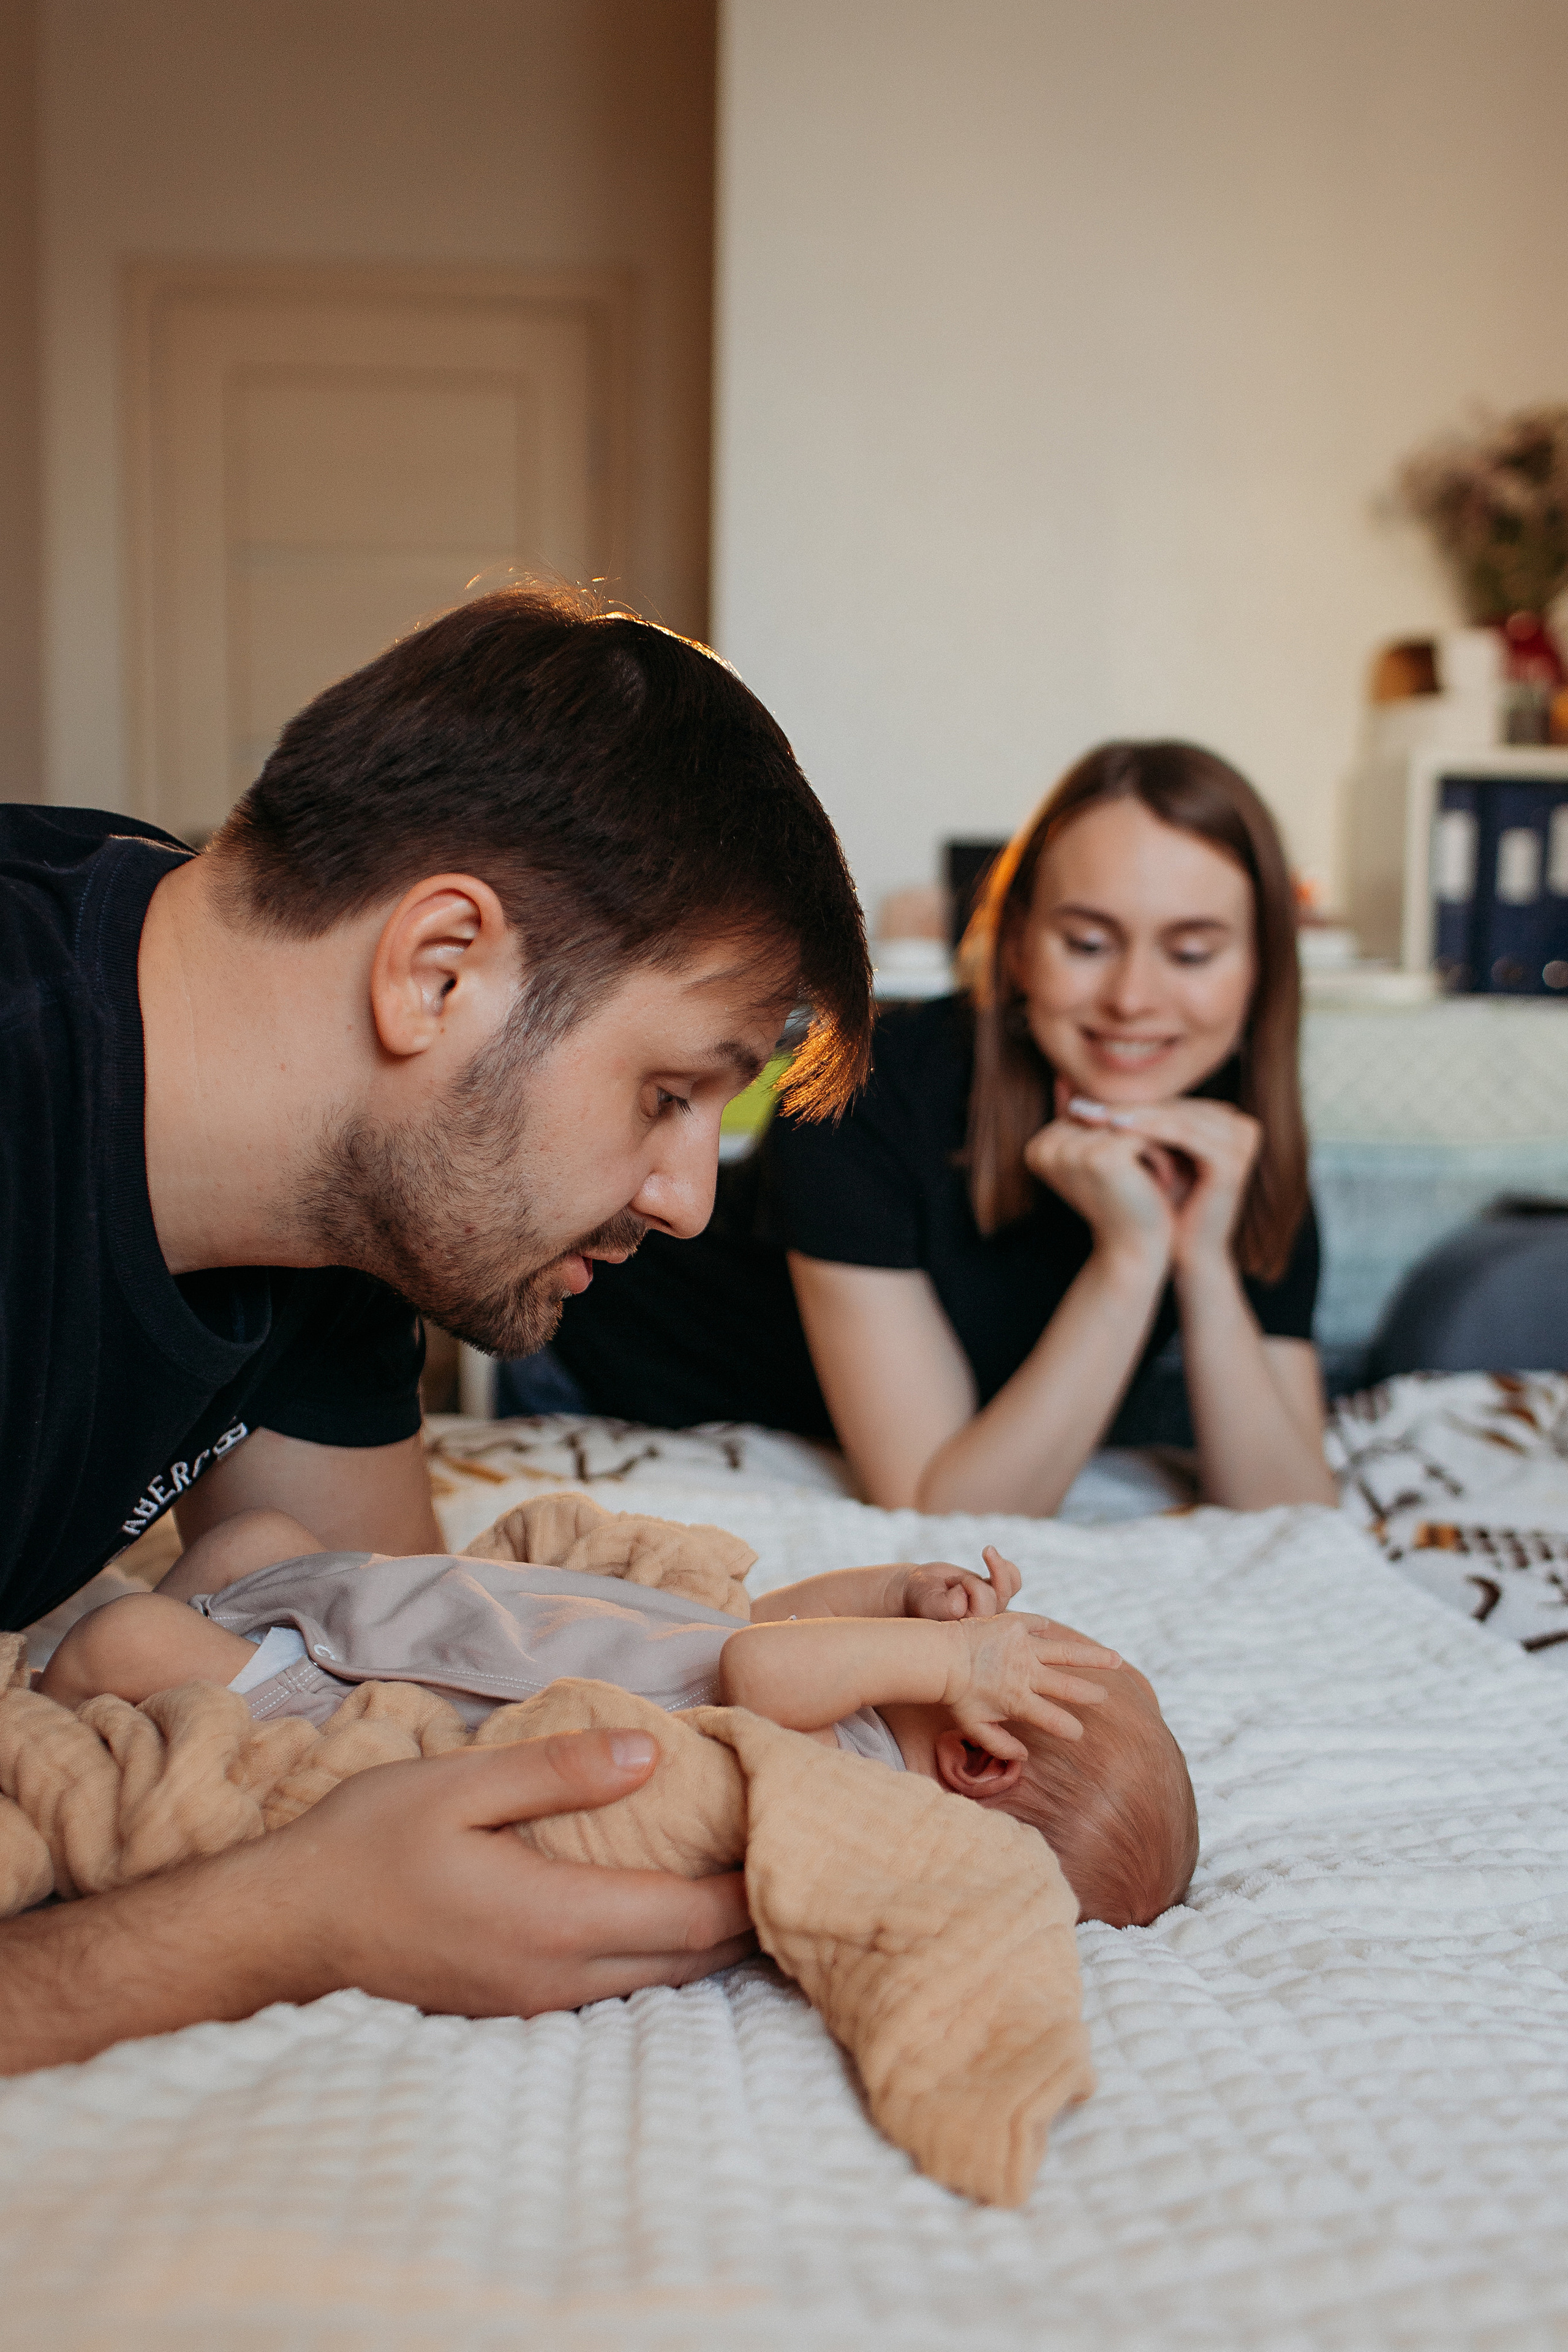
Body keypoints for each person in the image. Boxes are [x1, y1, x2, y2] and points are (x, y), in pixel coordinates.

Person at [0, 583, 872, 2072]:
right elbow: (322, 1860)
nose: (684, 1201)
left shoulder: (340, 1181)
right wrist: (283, 1922)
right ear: (439, 969)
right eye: (670, 1091)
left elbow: (358, 1671)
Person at [551, 740, 1336, 1515]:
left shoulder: (1233, 1142)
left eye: (1192, 953)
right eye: (1088, 944)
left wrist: (1199, 1255)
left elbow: (1294, 1516)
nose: (1132, 997)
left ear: (1261, 968)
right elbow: (943, 1508)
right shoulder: (861, 1089)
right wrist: (1129, 1260)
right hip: (598, 1357)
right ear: (1020, 944)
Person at [40, 1510, 1196, 1931]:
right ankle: (164, 1630)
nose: (1009, 1641)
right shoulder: (859, 1695)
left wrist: (937, 1652)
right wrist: (903, 1598)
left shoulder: (841, 1776)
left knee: (122, 1648)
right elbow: (758, 1623)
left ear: (979, 1757)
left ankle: (37, 1728)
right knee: (258, 1542)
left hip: (369, 1691)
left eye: (1033, 1664)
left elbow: (759, 1668)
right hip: (430, 1614)